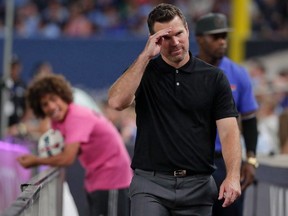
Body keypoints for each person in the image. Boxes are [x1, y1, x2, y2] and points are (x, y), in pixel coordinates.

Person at [108, 3, 242, 216]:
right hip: (150, 184)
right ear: (154, 40)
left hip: (198, 185)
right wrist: (145, 56)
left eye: (179, 33)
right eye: (165, 38)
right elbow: (116, 102)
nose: (175, 42)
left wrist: (233, 176)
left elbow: (229, 131)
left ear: (187, 29)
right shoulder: (143, 72)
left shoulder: (214, 77)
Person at [17, 74, 132, 216]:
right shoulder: (57, 121)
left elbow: (67, 158)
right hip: (95, 179)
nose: (51, 106)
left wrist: (36, 160)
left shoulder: (76, 115)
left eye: (53, 99)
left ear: (62, 96)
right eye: (45, 104)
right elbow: (66, 150)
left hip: (113, 179)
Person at [194, 13, 259, 216]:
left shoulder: (238, 73)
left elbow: (249, 119)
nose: (222, 41)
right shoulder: (186, 70)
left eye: (224, 36)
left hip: (225, 160)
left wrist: (250, 160)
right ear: (199, 38)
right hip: (191, 159)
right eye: (216, 37)